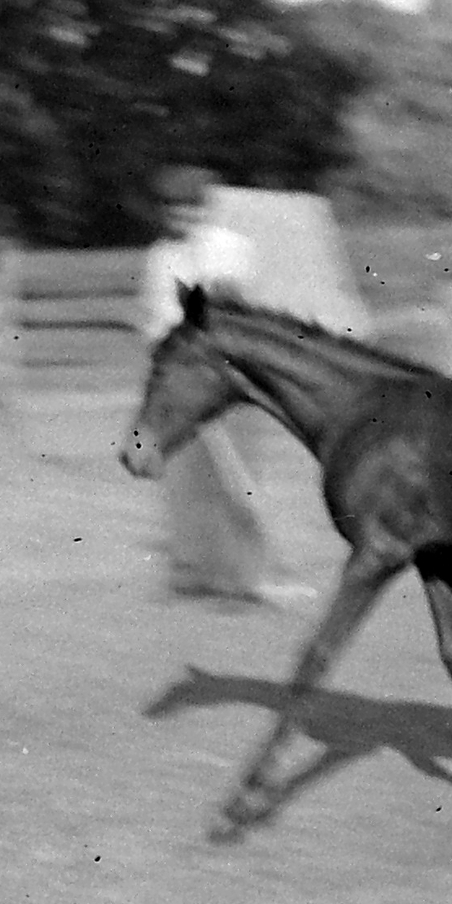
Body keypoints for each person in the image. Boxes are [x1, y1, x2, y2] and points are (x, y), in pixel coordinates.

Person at [135, 165, 306, 606]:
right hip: (179, 380)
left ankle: (249, 576)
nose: (182, 218)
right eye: (173, 210)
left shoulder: (231, 249)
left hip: (227, 377)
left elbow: (231, 312)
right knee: (184, 477)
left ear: (205, 207)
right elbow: (155, 320)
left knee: (238, 477)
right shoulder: (159, 257)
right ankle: (192, 575)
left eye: (190, 209)